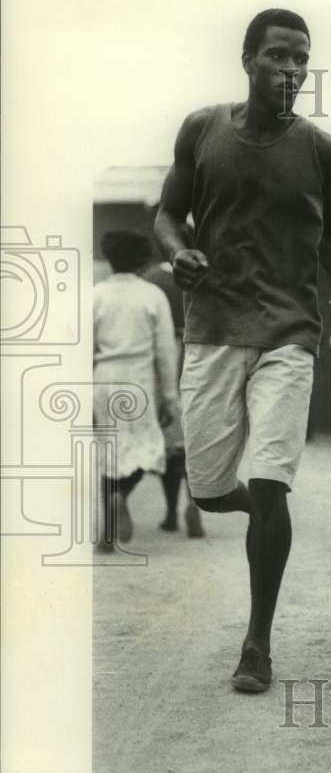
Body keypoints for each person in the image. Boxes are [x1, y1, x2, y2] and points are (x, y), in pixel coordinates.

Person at [154, 8, 331, 694]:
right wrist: (176, 252)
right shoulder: (201, 129)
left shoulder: (324, 152)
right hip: (211, 326)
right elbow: (164, 214)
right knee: (209, 493)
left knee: (272, 484)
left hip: (287, 333)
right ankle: (253, 509)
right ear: (247, 61)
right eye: (278, 57)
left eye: (302, 59)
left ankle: (256, 643)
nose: (292, 71)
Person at [93, 230, 179, 551]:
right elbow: (166, 352)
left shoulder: (96, 294)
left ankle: (108, 533)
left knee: (109, 454)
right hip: (139, 382)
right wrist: (170, 398)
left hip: (103, 379)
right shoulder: (152, 295)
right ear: (143, 260)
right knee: (149, 451)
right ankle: (122, 495)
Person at [143, 255, 205, 538]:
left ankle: (170, 512)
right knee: (195, 438)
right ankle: (194, 506)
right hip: (201, 356)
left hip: (166, 359)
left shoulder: (152, 280)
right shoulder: (206, 273)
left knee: (172, 440)